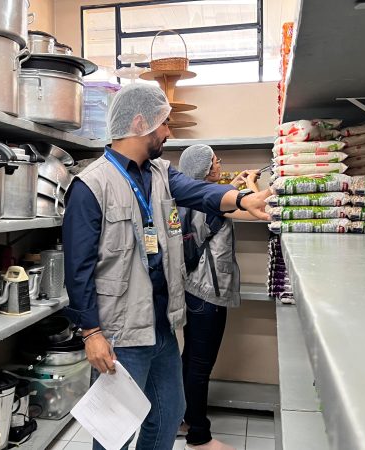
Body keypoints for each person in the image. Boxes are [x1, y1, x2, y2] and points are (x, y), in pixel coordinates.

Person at [63, 84, 273, 450]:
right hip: (121, 331)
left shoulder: (159, 172)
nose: (169, 132)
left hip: (161, 324)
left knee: (168, 411)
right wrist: (91, 333)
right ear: (141, 122)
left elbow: (199, 191)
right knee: (116, 429)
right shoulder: (91, 185)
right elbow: (77, 268)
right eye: (165, 123)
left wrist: (242, 198)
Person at [177, 145, 262, 450]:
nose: (220, 163)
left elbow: (221, 204)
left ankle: (184, 419)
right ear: (204, 169)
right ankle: (199, 437)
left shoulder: (191, 198)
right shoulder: (214, 199)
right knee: (200, 366)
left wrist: (236, 187)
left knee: (190, 361)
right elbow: (257, 210)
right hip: (209, 295)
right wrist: (252, 185)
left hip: (192, 290)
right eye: (216, 161)